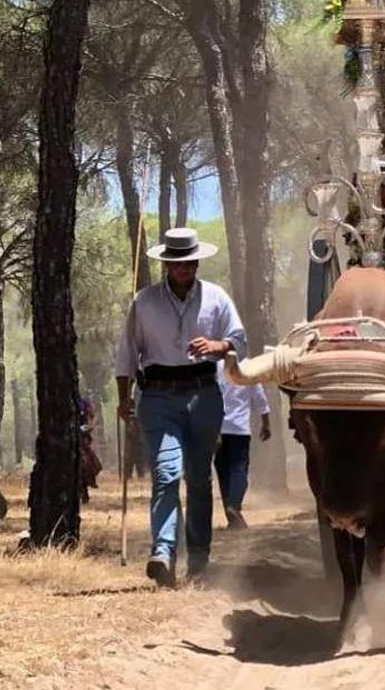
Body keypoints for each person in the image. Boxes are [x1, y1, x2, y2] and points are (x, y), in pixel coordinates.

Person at [115, 227, 246, 587]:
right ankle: (163, 552)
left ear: (197, 261)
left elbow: (239, 340)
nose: (183, 268)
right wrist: (124, 396)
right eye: (176, 263)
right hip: (156, 397)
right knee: (166, 473)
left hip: (204, 394)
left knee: (199, 480)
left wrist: (218, 346)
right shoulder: (143, 302)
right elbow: (127, 353)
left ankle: (200, 559)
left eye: (188, 262)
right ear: (166, 265)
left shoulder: (217, 298)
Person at [214, 361, 271, 530]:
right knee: (239, 468)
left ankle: (232, 516)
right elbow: (260, 399)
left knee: (222, 470)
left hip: (217, 429)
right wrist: (266, 424)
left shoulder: (214, 367)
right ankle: (234, 507)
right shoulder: (249, 368)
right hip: (240, 429)